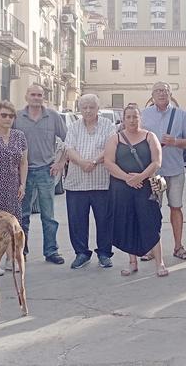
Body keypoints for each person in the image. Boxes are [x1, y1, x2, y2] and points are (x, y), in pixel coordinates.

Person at [103, 104, 168, 277]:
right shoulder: (115, 139)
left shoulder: (149, 137)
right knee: (128, 223)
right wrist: (127, 178)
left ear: (140, 118)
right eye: (128, 117)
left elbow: (156, 162)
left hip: (145, 188)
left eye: (135, 117)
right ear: (123, 120)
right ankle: (132, 262)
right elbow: (109, 162)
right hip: (122, 189)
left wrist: (141, 177)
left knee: (151, 223)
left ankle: (160, 262)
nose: (132, 120)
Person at [141, 82, 186, 261]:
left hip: (175, 169)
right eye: (157, 91)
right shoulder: (144, 115)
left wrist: (175, 142)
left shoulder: (181, 115)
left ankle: (178, 246)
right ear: (152, 95)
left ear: (170, 94)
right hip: (153, 172)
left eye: (164, 91)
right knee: (153, 210)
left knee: (176, 207)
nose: (161, 94)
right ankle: (151, 248)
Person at [14, 83, 68, 264]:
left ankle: (51, 251)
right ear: (26, 96)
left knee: (48, 216)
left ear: (43, 97)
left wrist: (60, 162)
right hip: (24, 172)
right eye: (33, 94)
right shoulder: (17, 117)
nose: (36, 98)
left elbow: (68, 140)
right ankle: (22, 251)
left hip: (46, 171)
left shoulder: (52, 116)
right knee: (22, 215)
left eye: (39, 95)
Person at [63, 94, 117, 270]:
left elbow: (110, 147)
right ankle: (81, 253)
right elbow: (69, 148)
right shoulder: (74, 127)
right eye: (84, 107)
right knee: (77, 220)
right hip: (77, 182)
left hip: (101, 181)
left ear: (97, 108)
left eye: (91, 107)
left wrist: (93, 162)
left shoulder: (107, 125)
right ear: (80, 109)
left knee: (104, 220)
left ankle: (104, 254)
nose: (87, 110)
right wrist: (82, 162)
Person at [0, 100, 28, 274]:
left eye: (11, 116)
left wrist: (23, 184)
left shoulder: (19, 136)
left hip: (13, 186)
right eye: (4, 115)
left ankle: (12, 259)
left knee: (13, 224)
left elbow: (24, 162)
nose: (7, 118)